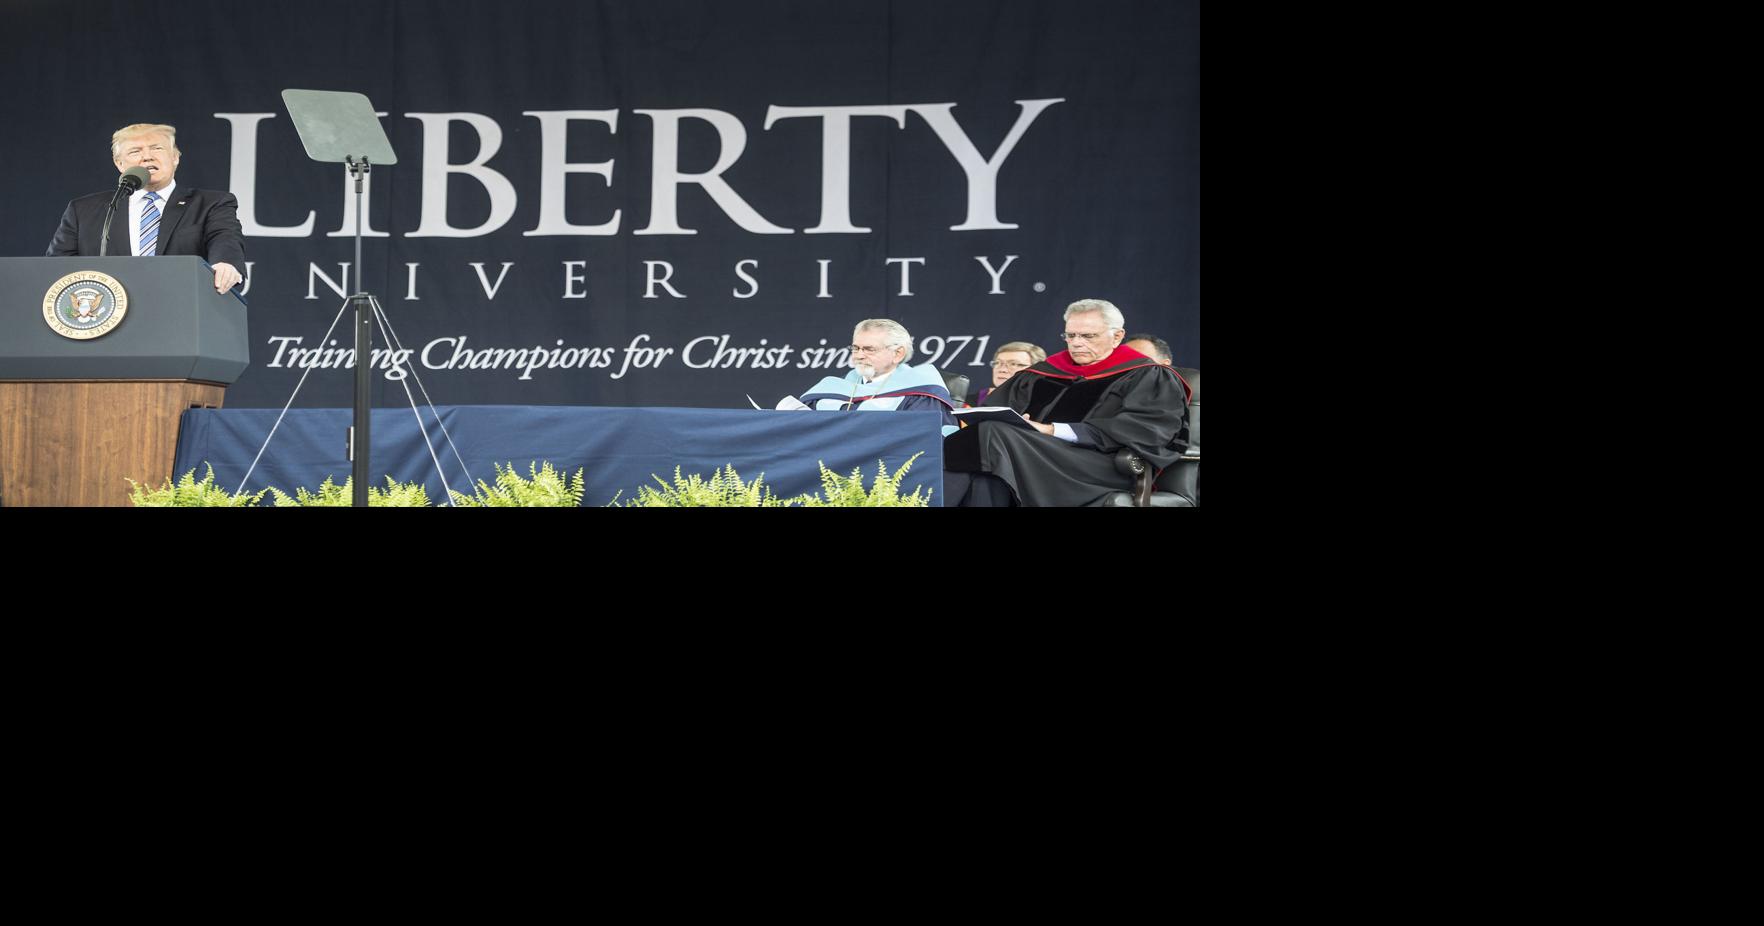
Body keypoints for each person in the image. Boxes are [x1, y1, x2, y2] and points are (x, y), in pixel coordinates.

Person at [943, 299, 1191, 506]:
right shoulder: (1042, 372)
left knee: (992, 435)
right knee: (983, 461)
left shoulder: (1148, 374)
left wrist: (1051, 430)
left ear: (1117, 336)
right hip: (1029, 452)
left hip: (1099, 466)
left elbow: (1145, 430)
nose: (1077, 342)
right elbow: (997, 409)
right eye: (1070, 335)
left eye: (1088, 336)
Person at [47, 123, 245, 294]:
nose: (147, 157)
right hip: (105, 318)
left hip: (182, 314)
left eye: (156, 148)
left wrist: (225, 263)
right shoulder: (83, 210)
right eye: (135, 151)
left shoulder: (211, 203)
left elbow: (224, 238)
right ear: (119, 164)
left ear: (175, 157)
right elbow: (55, 268)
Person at [799, 319, 958, 434]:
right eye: (855, 348)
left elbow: (923, 441)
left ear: (897, 353)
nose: (859, 356)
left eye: (869, 349)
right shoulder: (834, 388)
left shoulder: (921, 393)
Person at [971, 341, 1048, 406]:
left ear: (1036, 369)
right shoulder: (968, 404)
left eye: (1013, 364)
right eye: (998, 363)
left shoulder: (1047, 404)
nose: (1002, 369)